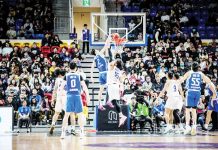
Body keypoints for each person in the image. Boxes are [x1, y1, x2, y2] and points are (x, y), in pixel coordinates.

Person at [180, 62, 216, 135]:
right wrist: (214, 91)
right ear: (198, 68)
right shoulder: (201, 74)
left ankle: (187, 126)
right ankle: (194, 126)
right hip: (197, 92)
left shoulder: (189, 72)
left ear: (191, 67)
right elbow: (209, 82)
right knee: (194, 110)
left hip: (190, 92)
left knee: (187, 110)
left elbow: (181, 80)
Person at [60, 62, 90, 139]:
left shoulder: (66, 76)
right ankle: (81, 132)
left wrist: (60, 97)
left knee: (66, 115)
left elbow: (61, 88)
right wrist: (88, 97)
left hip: (69, 96)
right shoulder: (79, 75)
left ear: (69, 68)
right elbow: (85, 87)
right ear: (76, 68)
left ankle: (63, 133)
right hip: (77, 96)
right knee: (80, 115)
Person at [90, 37, 111, 110]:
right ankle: (109, 101)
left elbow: (91, 68)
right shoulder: (100, 54)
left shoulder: (94, 59)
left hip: (100, 74)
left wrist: (92, 77)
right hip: (105, 73)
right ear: (96, 52)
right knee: (111, 86)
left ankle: (100, 104)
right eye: (96, 50)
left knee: (101, 90)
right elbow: (106, 46)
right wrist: (108, 38)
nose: (97, 50)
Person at [106, 59, 127, 127]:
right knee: (114, 101)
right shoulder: (119, 71)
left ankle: (121, 115)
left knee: (114, 102)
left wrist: (115, 61)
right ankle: (121, 115)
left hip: (112, 85)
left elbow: (111, 63)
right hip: (115, 86)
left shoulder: (112, 67)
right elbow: (121, 80)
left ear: (116, 63)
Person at [49, 69, 67, 134]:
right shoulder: (67, 79)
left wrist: (52, 100)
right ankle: (64, 128)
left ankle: (53, 124)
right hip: (65, 97)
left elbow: (54, 91)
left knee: (56, 113)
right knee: (66, 114)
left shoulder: (57, 80)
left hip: (59, 97)